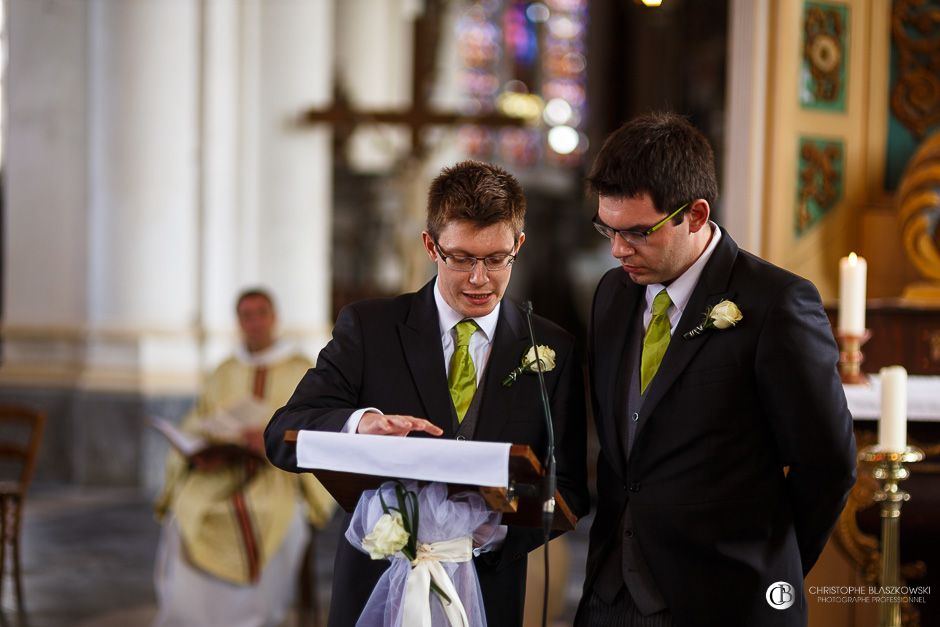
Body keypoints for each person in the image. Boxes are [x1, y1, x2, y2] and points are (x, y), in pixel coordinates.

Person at [265, 160, 589, 627]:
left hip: (488, 592)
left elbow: (573, 489)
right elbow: (282, 434)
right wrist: (362, 424)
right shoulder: (370, 328)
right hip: (375, 588)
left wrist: (491, 534)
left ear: (518, 244)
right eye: (460, 258)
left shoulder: (551, 347)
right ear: (430, 246)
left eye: (496, 259)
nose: (479, 279)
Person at [575, 113, 856, 627]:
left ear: (697, 215)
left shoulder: (777, 305)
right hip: (609, 596)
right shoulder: (612, 295)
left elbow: (829, 465)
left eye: (638, 232)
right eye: (606, 229)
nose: (617, 250)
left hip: (728, 600)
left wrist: (773, 570)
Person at [154, 288, 335, 627]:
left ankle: (255, 617)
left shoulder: (301, 369)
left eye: (260, 314)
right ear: (238, 322)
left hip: (277, 475)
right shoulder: (225, 370)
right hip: (223, 469)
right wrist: (201, 449)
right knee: (185, 511)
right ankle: (194, 618)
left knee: (268, 515)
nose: (254, 323)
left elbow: (317, 424)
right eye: (246, 316)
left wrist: (269, 439)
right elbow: (198, 418)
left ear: (274, 318)